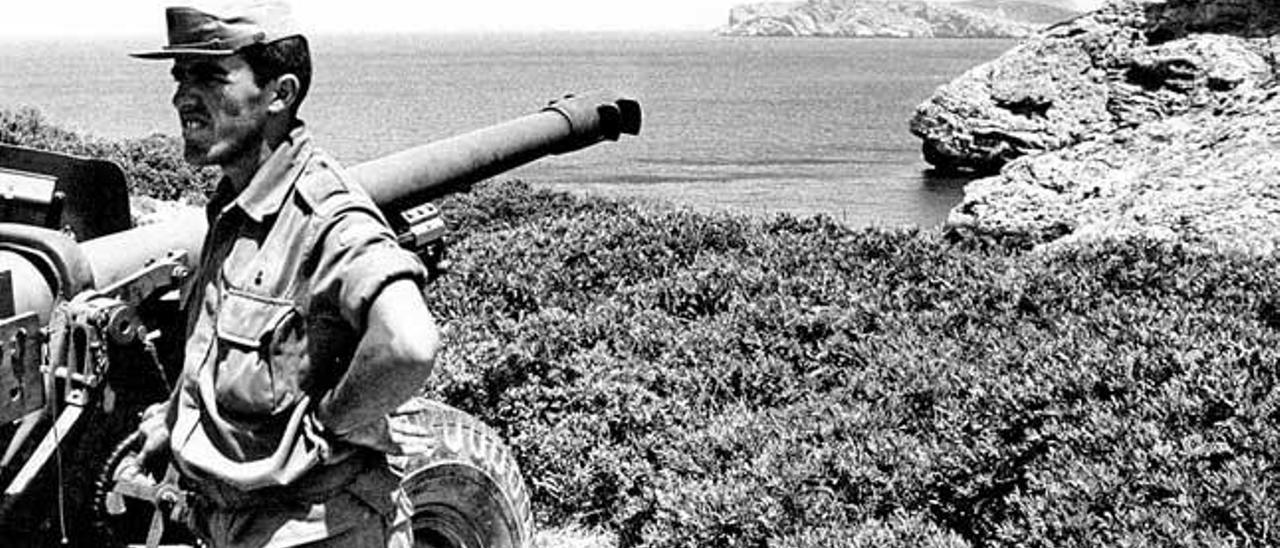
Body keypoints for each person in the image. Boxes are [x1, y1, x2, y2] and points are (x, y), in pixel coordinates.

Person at [129, 1, 440, 546]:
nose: (182, 97)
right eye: (180, 77)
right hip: (233, 520)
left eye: (209, 76)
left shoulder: (328, 217)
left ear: (280, 93)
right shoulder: (237, 202)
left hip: (317, 528)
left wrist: (326, 428)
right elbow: (216, 341)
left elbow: (409, 345)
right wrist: (178, 420)